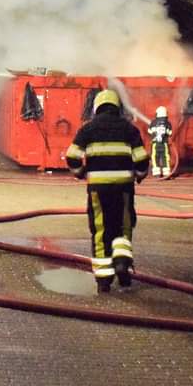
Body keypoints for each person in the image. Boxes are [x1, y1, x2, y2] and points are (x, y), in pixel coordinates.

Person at [65, 89, 149, 293]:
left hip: (98, 188)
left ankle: (104, 280)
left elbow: (72, 156)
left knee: (101, 229)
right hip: (124, 188)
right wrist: (139, 174)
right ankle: (122, 265)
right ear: (117, 107)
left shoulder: (88, 129)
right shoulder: (129, 129)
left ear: (97, 107)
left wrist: (80, 172)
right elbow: (141, 158)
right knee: (123, 225)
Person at [147, 105, 173, 177]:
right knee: (165, 157)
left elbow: (149, 131)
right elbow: (170, 133)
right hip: (164, 144)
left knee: (155, 157)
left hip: (155, 144)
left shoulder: (153, 122)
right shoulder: (168, 123)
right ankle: (166, 173)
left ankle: (157, 173)